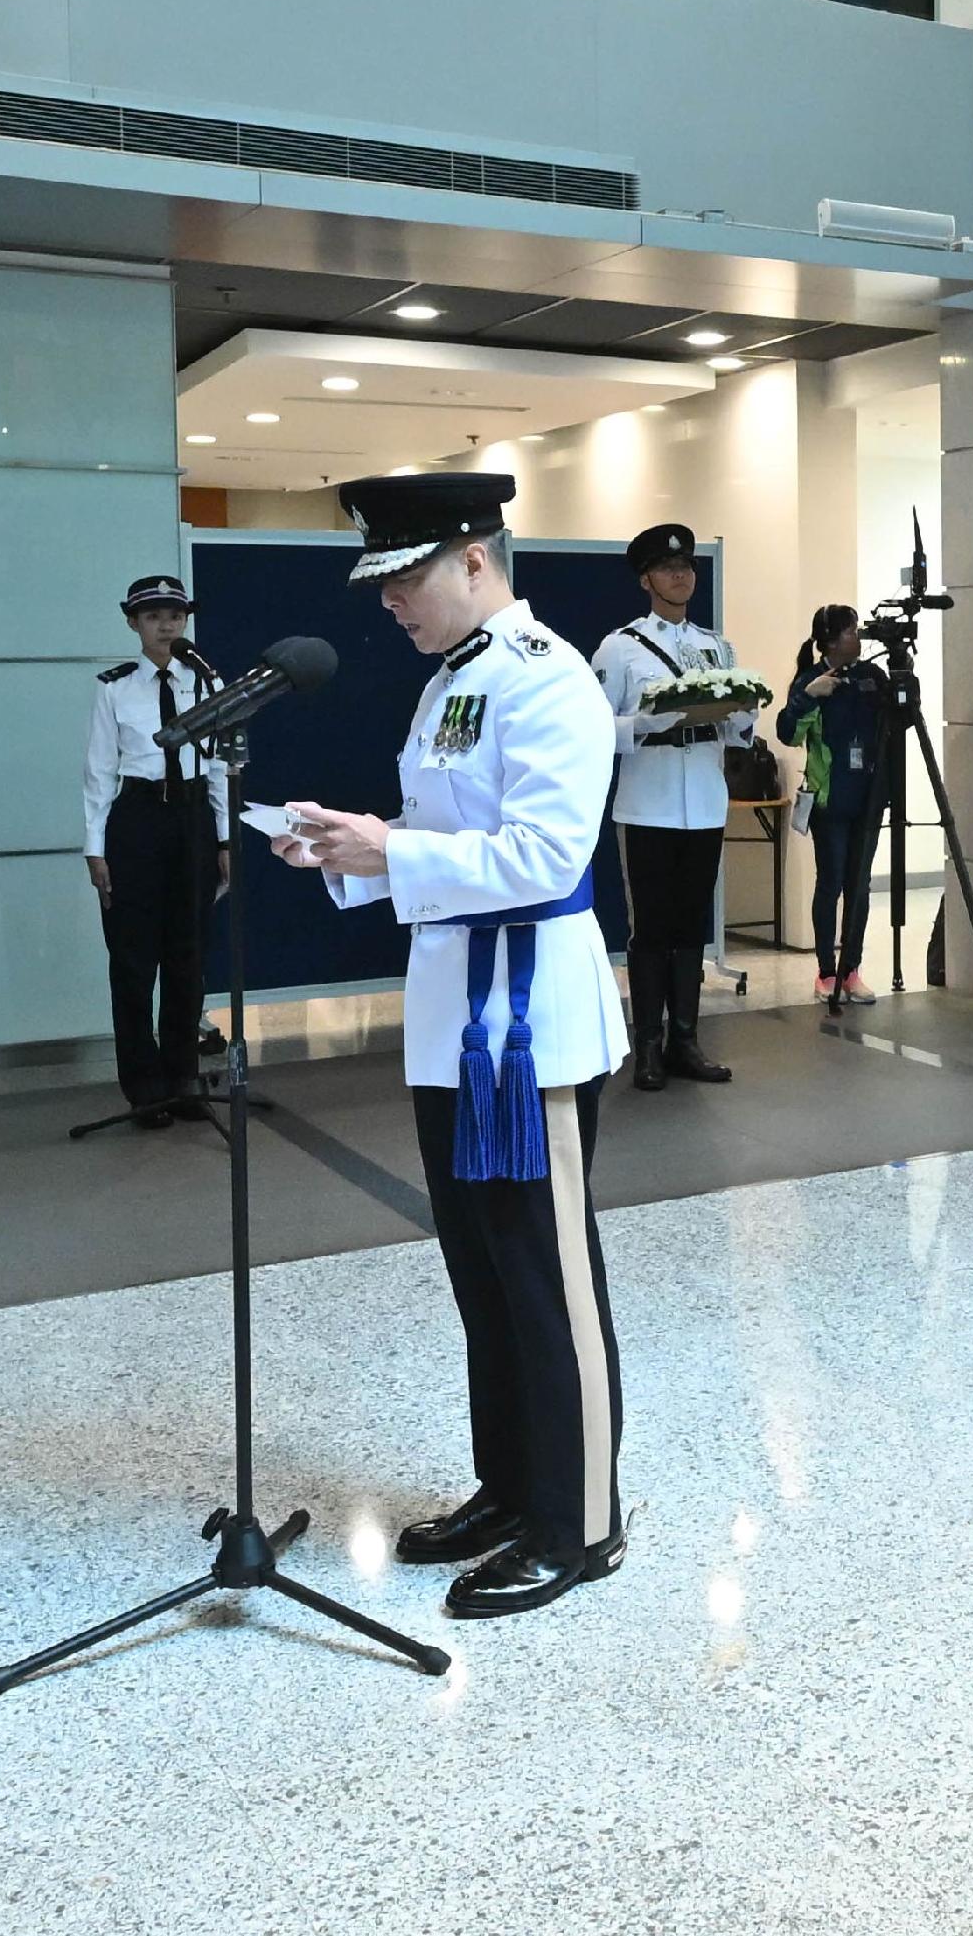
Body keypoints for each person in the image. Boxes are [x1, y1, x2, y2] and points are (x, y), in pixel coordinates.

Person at [276, 471, 628, 1620]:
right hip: (453, 1014)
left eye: (405, 575)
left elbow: (544, 856)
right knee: (480, 1269)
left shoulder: (548, 678)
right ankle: (512, 1485)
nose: (388, 599)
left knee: (546, 1271)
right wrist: (349, 851)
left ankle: (581, 1521)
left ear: (476, 556)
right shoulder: (453, 685)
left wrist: (394, 851)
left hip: (531, 1023)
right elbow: (434, 835)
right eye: (378, 579)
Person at [588, 523, 754, 1093]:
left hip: (705, 803)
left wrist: (742, 718)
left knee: (692, 929)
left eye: (686, 568)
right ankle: (649, 1048)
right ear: (646, 579)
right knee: (652, 930)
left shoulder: (717, 646)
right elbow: (589, 729)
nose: (680, 576)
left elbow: (737, 735)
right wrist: (645, 725)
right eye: (667, 568)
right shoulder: (620, 647)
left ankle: (687, 1039)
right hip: (649, 805)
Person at [80, 574, 230, 1129]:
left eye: (175, 614)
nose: (167, 624)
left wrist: (224, 839)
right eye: (153, 616)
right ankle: (143, 1086)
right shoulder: (114, 687)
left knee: (188, 957)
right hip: (137, 822)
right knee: (135, 961)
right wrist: (96, 849)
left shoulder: (207, 681)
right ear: (133, 624)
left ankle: (184, 1078)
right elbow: (98, 774)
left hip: (191, 820)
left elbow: (217, 767)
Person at [783, 603, 891, 1005]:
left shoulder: (870, 676)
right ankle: (826, 970)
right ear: (830, 640)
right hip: (830, 800)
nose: (858, 637)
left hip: (869, 797)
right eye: (851, 631)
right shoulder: (812, 680)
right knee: (830, 884)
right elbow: (789, 734)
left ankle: (852, 970)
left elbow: (898, 720)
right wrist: (809, 699)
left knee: (859, 886)